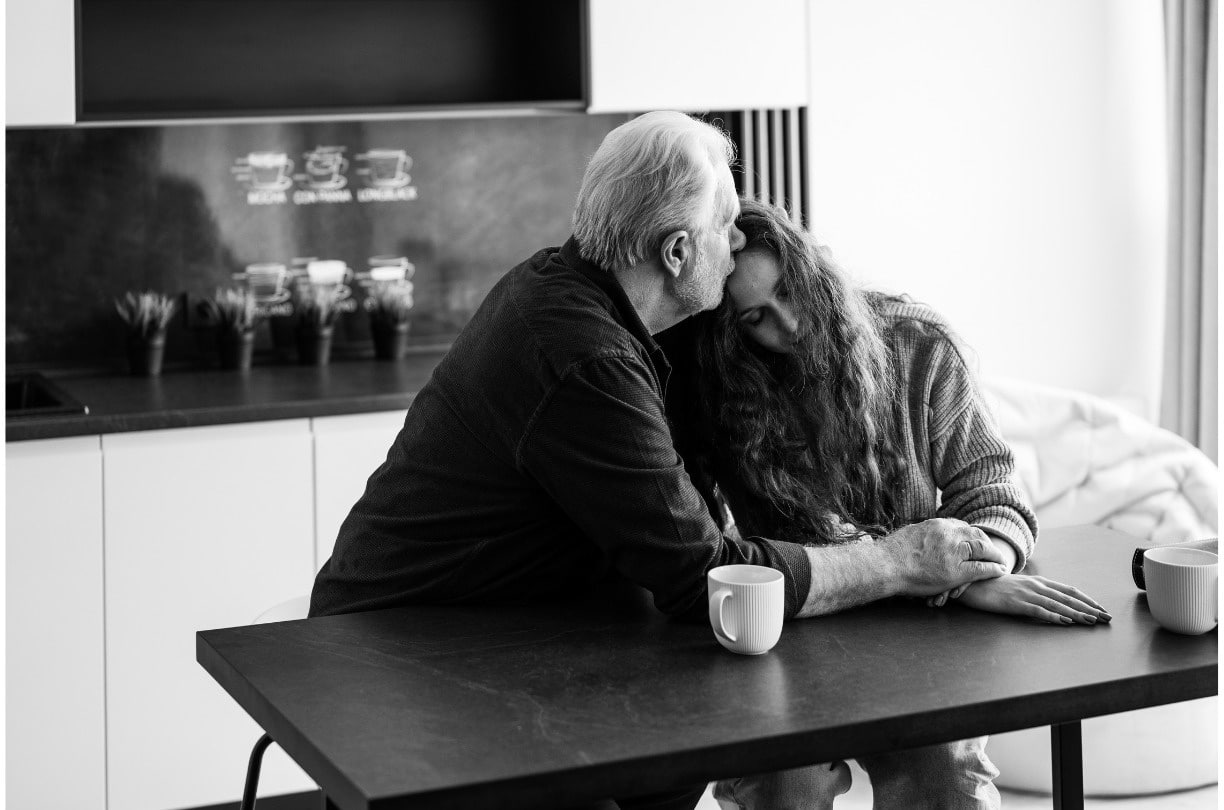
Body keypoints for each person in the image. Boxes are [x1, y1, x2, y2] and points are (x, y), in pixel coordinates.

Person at [310, 111, 1014, 810]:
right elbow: (703, 579)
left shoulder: (583, 296)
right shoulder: (584, 359)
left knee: (678, 762)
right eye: (727, 221)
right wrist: (898, 561)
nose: (738, 238)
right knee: (677, 752)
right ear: (677, 253)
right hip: (404, 654)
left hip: (505, 625)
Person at [670, 198, 1111, 810]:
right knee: (784, 786)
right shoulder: (720, 390)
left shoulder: (919, 344)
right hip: (794, 636)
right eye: (755, 319)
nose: (789, 325)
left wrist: (972, 576)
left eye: (791, 291)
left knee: (948, 780)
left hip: (916, 642)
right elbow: (709, 548)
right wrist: (934, 577)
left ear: (813, 267)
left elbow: (993, 495)